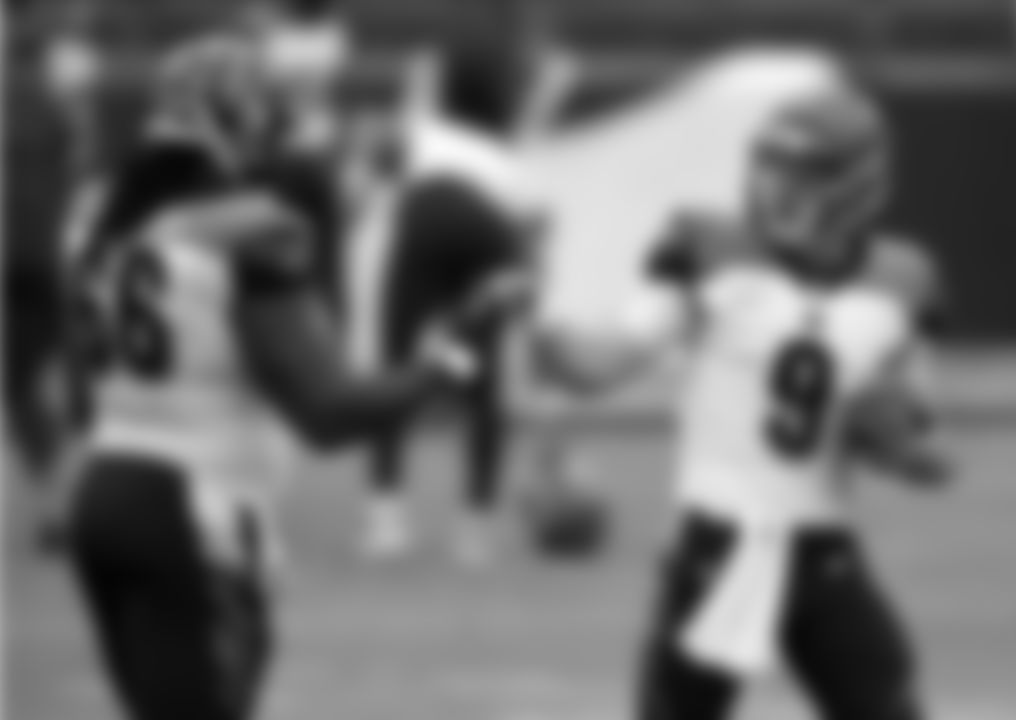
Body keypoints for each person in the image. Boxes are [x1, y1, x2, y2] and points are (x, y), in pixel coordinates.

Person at [49, 34, 511, 720]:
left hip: (101, 498)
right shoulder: (253, 228)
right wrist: (453, 357)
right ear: (237, 122)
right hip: (193, 507)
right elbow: (328, 412)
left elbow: (81, 394)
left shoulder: (97, 223)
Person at [569, 81, 950, 720]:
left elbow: (919, 424)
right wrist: (547, 344)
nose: (775, 188)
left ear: (856, 186)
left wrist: (911, 448)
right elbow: (610, 356)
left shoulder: (901, 282)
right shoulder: (713, 252)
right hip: (721, 544)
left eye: (799, 173)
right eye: (769, 166)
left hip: (823, 550)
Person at [344, 0, 576, 564]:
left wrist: (360, 182)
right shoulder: (508, 153)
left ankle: (386, 518)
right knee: (482, 377)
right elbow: (536, 228)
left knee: (398, 366)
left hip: (427, 215)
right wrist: (531, 301)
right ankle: (475, 525)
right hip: (488, 230)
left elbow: (376, 160)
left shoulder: (428, 131)